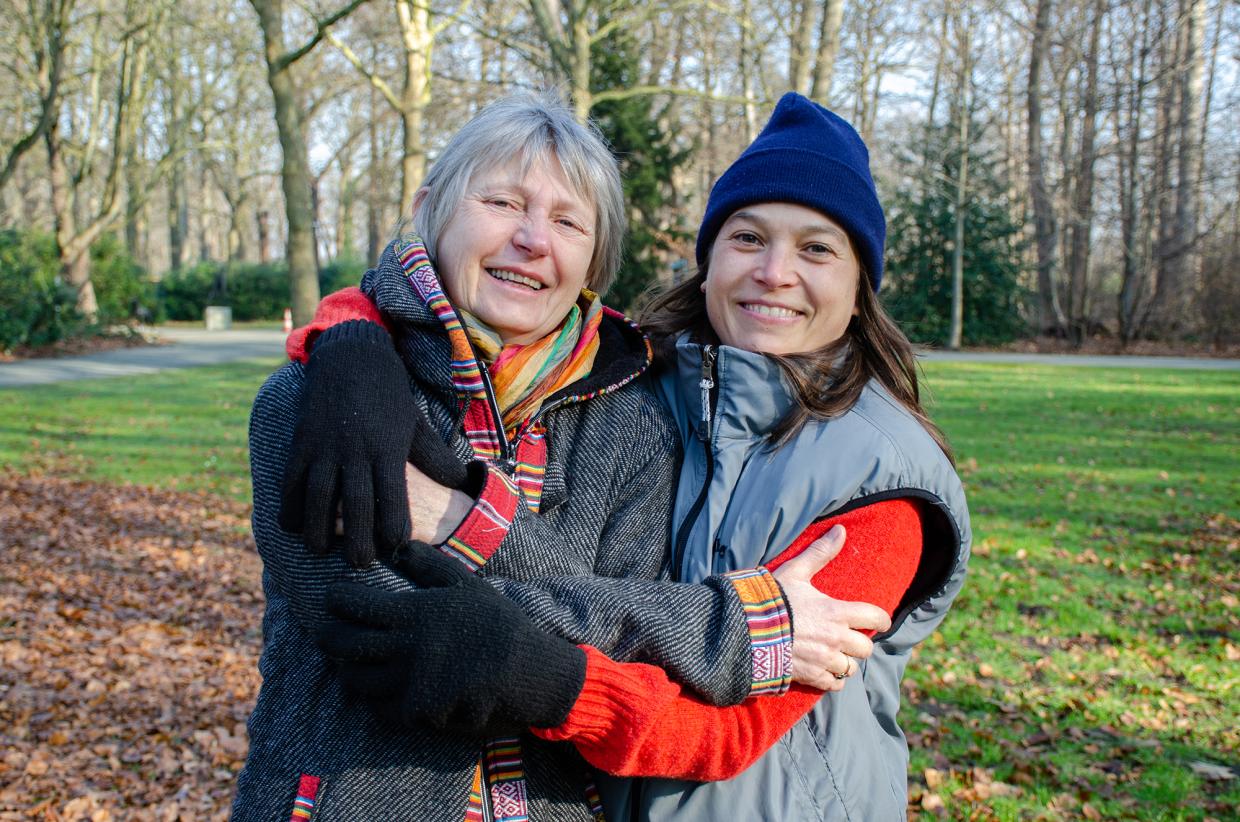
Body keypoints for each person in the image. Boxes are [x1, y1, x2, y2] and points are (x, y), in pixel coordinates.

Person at [283, 93, 971, 820]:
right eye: (746, 238)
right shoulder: (640, 383)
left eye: (817, 248)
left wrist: (489, 588)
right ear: (708, 261)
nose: (774, 271)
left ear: (861, 285)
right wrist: (349, 343)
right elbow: (463, 296)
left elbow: (724, 732)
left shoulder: (885, 485)